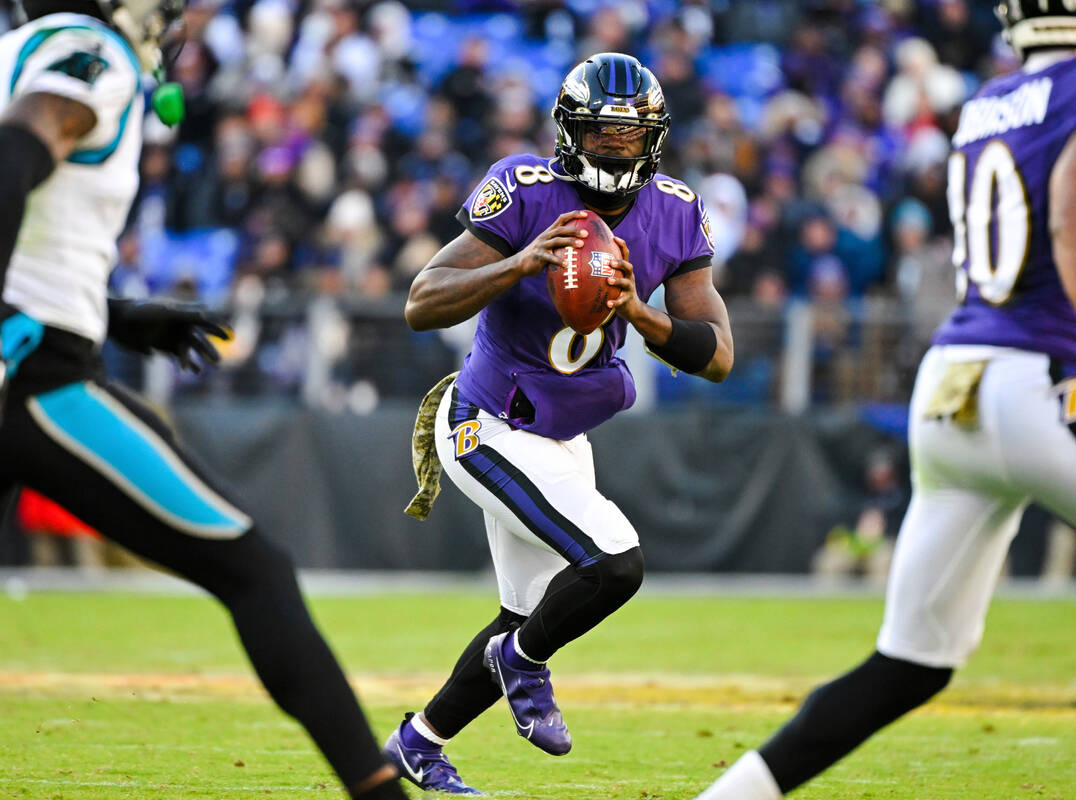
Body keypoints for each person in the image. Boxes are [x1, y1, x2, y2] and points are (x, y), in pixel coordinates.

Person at [695, 2, 1076, 797]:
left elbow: (1048, 260)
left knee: (909, 663)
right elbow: (1075, 221)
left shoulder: (992, 99)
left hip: (955, 388)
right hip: (1048, 384)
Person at [0, 1, 409, 797]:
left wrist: (113, 315)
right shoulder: (88, 50)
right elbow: (19, 148)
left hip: (37, 344)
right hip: (31, 375)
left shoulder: (14, 47)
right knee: (255, 568)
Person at [386, 52, 734, 794]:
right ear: (570, 134)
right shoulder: (525, 188)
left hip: (562, 435)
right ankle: (522, 662)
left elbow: (718, 357)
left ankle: (416, 743)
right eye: (601, 132)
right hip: (484, 422)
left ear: (655, 139)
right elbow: (422, 300)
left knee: (524, 612)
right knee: (615, 562)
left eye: (629, 134)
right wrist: (517, 265)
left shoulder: (675, 208)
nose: (615, 146)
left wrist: (640, 313)